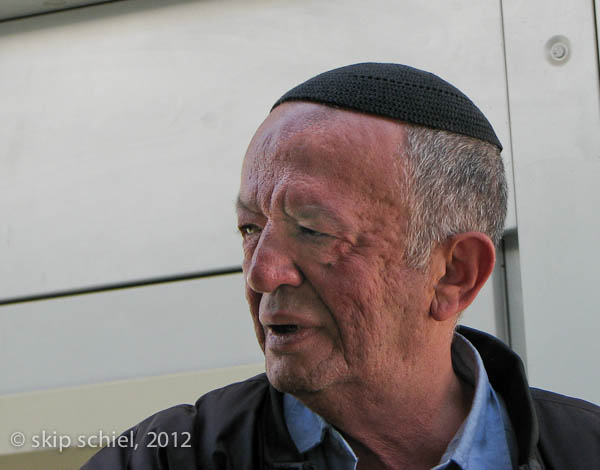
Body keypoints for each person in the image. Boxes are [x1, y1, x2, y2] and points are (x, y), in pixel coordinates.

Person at [83, 63, 600, 470]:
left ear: (454, 273)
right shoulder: (159, 460)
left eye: (313, 231)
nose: (262, 274)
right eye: (250, 229)